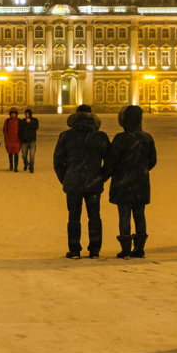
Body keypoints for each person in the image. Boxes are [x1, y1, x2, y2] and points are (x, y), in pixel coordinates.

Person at [54, 104, 110, 259]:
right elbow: (110, 161)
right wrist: (100, 177)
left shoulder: (66, 135)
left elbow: (58, 161)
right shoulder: (100, 136)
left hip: (73, 183)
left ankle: (74, 250)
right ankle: (94, 249)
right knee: (94, 216)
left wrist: (65, 179)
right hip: (93, 183)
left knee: (73, 217)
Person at [103, 105, 157, 259]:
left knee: (124, 215)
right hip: (141, 182)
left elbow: (111, 162)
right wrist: (140, 170)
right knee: (140, 215)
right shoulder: (147, 137)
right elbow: (152, 160)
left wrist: (105, 176)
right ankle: (140, 248)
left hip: (122, 183)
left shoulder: (121, 138)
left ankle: (125, 248)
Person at [19, 108, 39, 173]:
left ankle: (31, 168)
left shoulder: (35, 120)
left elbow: (36, 127)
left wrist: (30, 122)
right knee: (24, 155)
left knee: (32, 155)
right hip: (24, 141)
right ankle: (26, 163)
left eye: (28, 114)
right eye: (26, 114)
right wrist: (21, 137)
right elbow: (20, 130)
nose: (27, 115)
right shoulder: (22, 121)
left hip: (32, 140)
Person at [2, 107, 21, 171]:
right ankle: (11, 165)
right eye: (12, 114)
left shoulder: (19, 121)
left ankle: (16, 166)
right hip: (10, 140)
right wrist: (7, 137)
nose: (13, 115)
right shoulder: (7, 121)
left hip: (17, 139)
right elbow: (5, 130)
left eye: (14, 114)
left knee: (16, 153)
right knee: (10, 153)